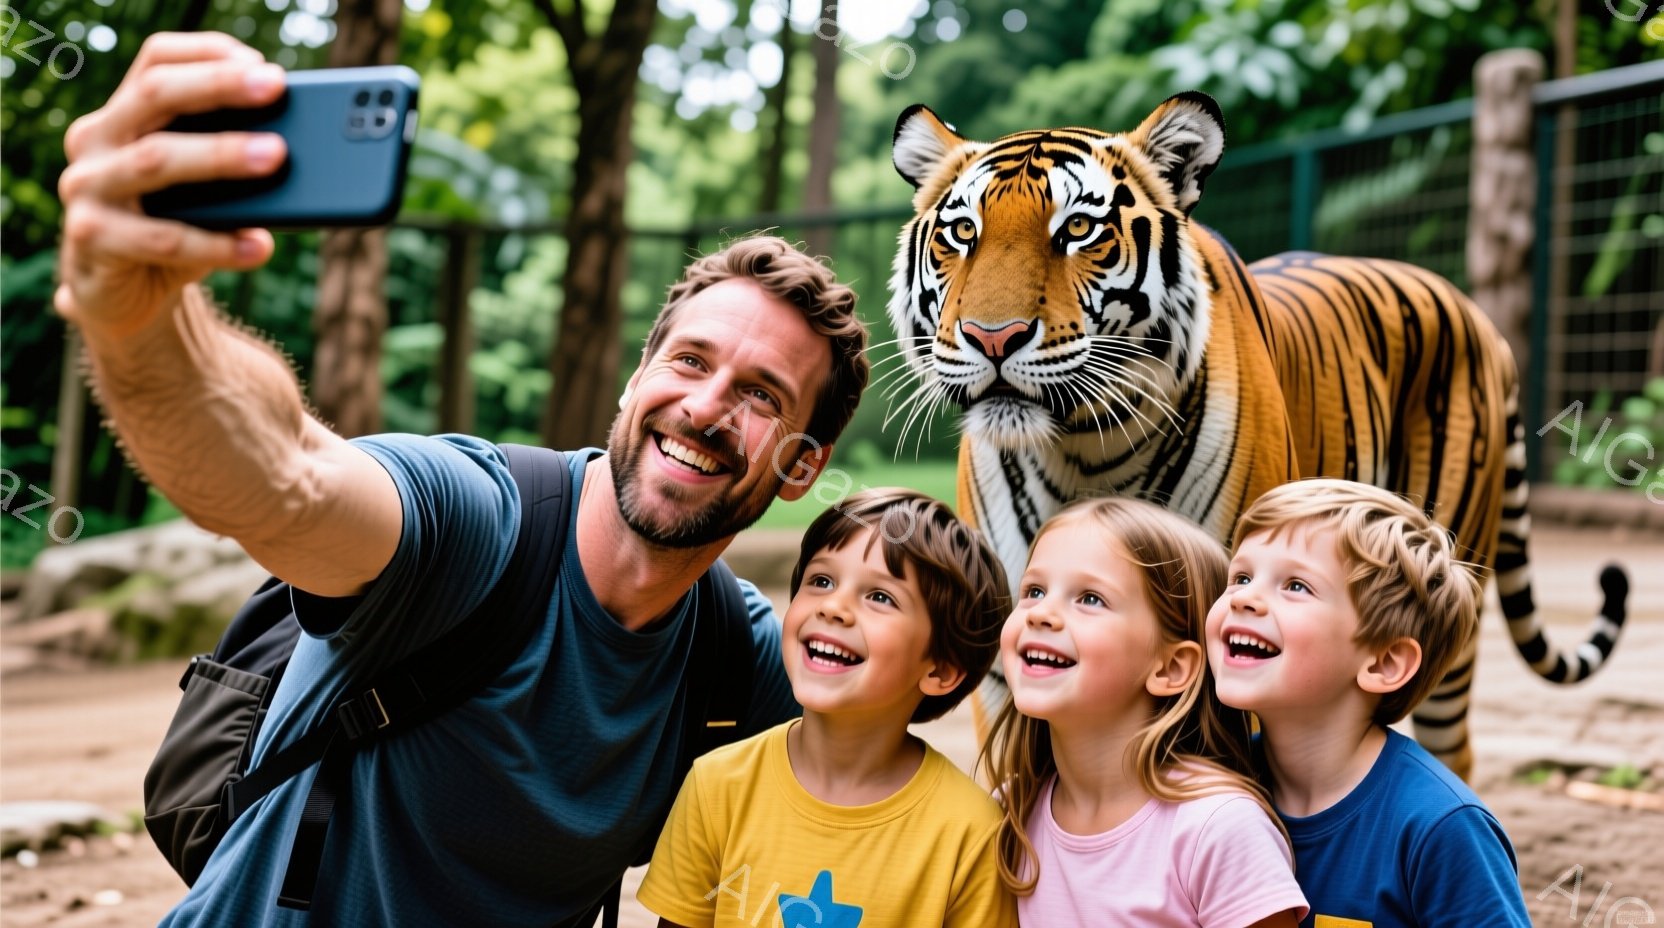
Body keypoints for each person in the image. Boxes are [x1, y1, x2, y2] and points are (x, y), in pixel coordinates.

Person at [53, 32, 870, 926]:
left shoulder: (739, 658)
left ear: (802, 466)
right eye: (688, 361)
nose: (706, 409)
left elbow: (909, 757)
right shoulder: (476, 519)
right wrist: (137, 317)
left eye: (760, 395)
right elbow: (280, 475)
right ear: (638, 381)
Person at [638, 488, 1017, 928]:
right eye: (821, 581)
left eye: (880, 597)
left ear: (941, 670)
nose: (834, 607)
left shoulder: (971, 832)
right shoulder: (715, 786)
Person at [1206, 479, 1533, 926]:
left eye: (1296, 586)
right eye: (1241, 576)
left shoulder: (1441, 827)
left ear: (1384, 662)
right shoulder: (1211, 789)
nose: (1243, 597)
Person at [983, 498, 1308, 928]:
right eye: (1034, 591)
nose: (1042, 613)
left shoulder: (1218, 828)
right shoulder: (1012, 810)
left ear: (1170, 667)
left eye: (1090, 598)